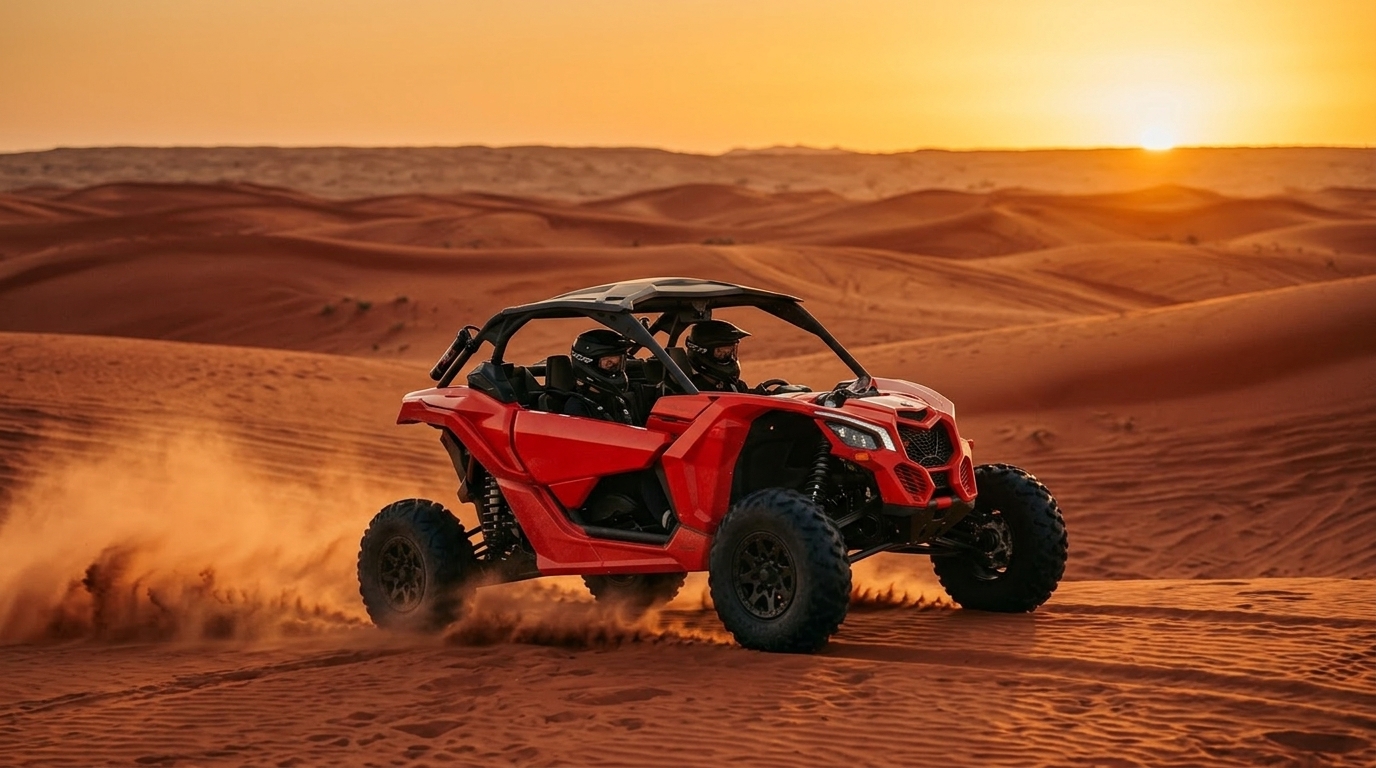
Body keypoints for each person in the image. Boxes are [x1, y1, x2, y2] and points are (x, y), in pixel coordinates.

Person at [564, 329, 637, 424]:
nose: (614, 369)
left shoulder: (619, 401)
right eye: (609, 363)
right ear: (588, 362)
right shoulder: (577, 407)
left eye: (618, 363)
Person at [684, 320, 753, 393]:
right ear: (702, 352)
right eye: (720, 351)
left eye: (730, 350)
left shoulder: (734, 386)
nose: (727, 356)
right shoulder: (688, 391)